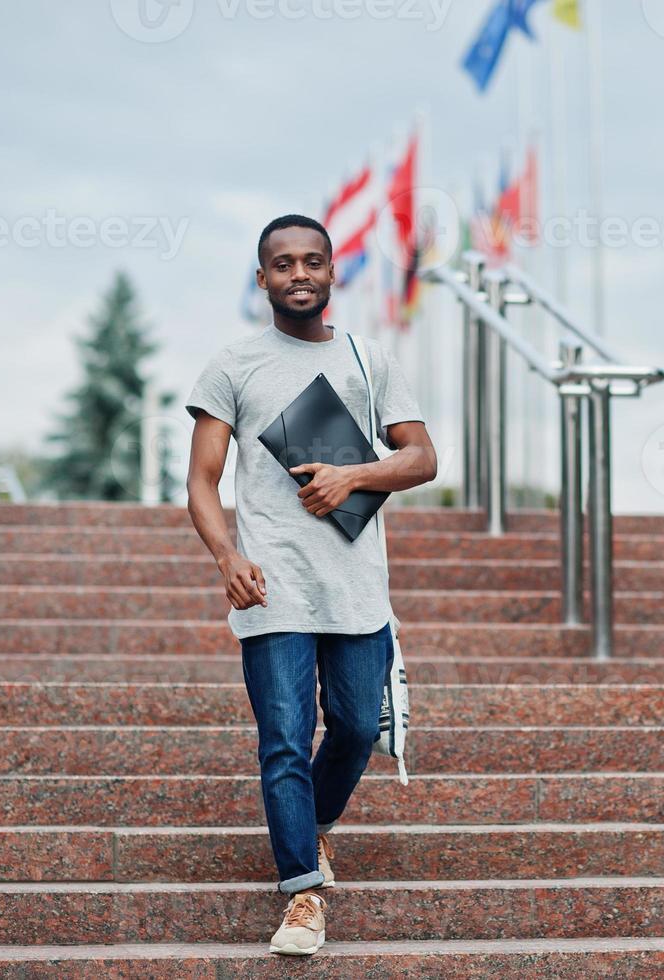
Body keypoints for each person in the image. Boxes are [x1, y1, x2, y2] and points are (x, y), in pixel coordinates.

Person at [184, 214, 437, 956]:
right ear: (260, 279)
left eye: (313, 261)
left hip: (357, 587)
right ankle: (301, 893)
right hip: (274, 586)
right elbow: (200, 481)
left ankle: (312, 825)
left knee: (359, 727)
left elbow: (421, 458)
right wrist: (226, 556)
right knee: (285, 743)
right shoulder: (233, 366)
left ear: (333, 273)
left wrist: (353, 474)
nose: (299, 273)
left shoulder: (370, 360)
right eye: (282, 263)